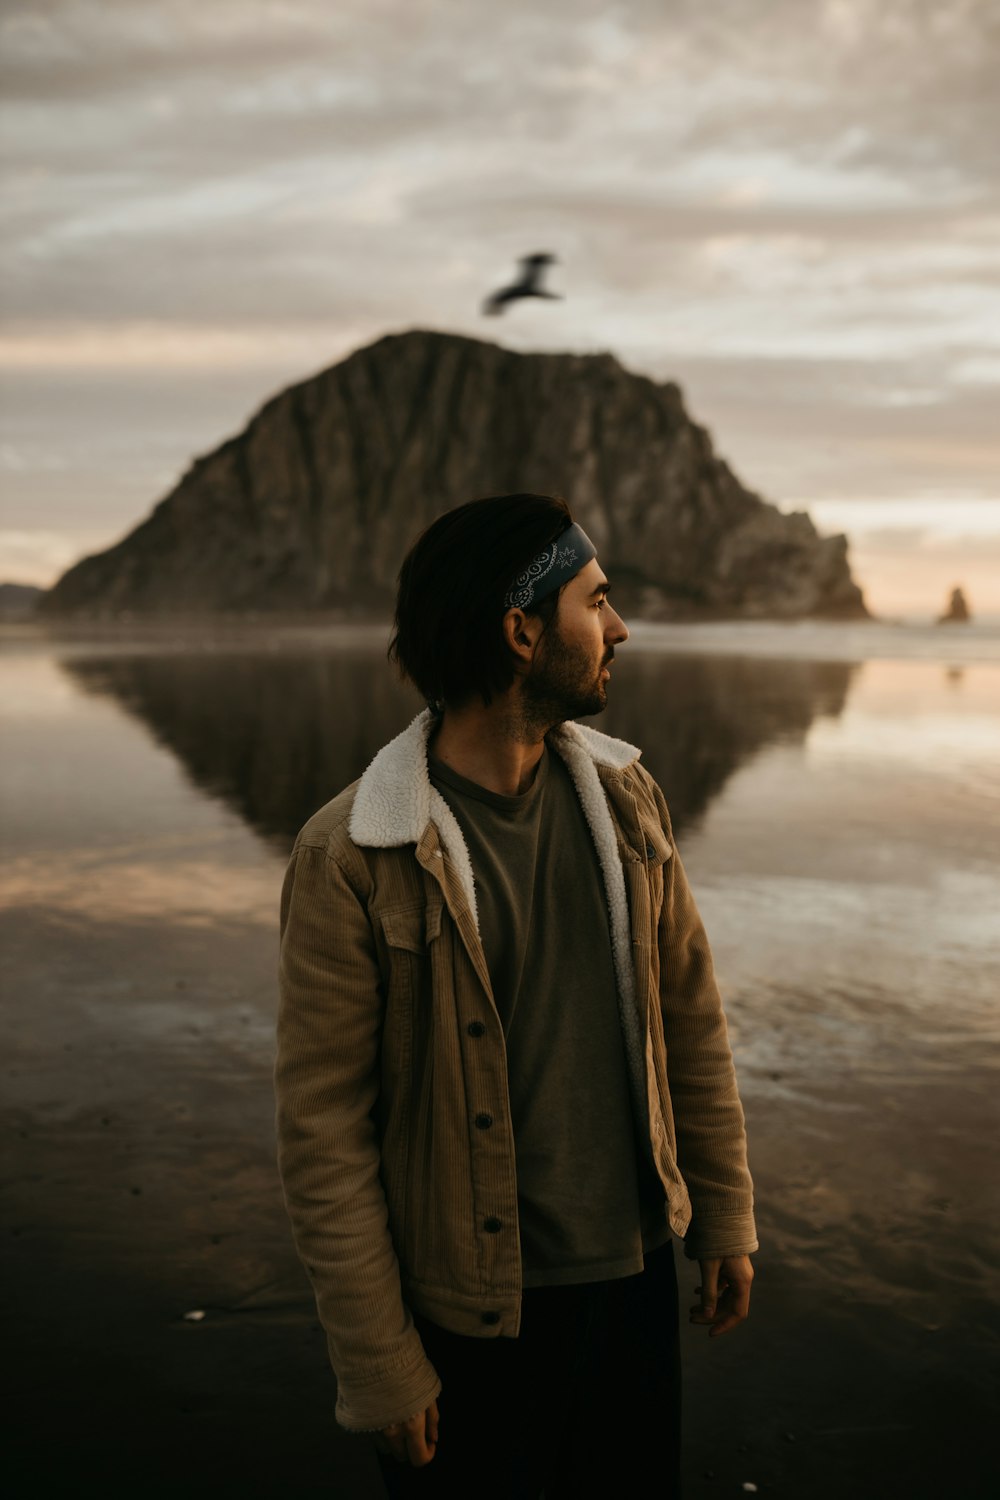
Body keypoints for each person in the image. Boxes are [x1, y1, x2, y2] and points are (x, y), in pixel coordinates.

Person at [274, 493, 757, 1498]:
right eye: (598, 600)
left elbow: (691, 1022)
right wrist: (377, 1362)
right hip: (468, 1316)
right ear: (521, 629)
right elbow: (324, 1131)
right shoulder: (354, 855)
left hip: (631, 1286)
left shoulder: (629, 800)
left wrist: (723, 1214)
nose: (619, 628)